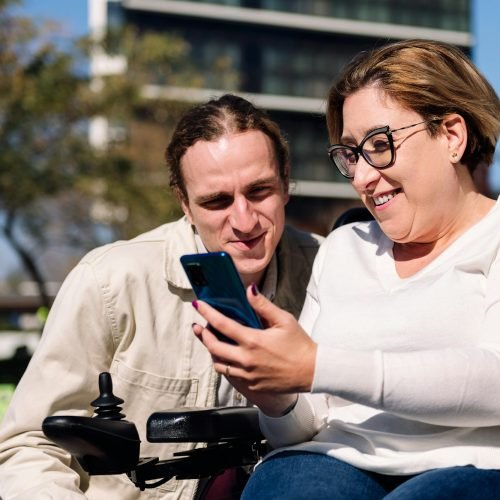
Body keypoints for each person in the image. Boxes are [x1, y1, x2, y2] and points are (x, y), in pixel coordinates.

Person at [192, 40, 500, 499]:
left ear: (452, 135)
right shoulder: (343, 248)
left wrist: (317, 365)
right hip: (333, 461)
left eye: (380, 145)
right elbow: (303, 427)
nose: (360, 177)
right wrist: (277, 397)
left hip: (472, 465)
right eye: (351, 155)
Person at [0, 94, 323, 499]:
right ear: (184, 203)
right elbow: (29, 444)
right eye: (217, 201)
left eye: (259, 191)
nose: (244, 220)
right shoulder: (110, 280)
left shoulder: (332, 270)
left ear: (286, 180)